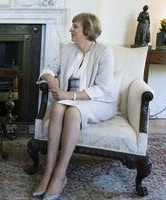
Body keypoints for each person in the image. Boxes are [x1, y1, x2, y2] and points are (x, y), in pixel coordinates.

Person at [32, 13, 118, 200]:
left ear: (87, 30)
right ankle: (48, 172)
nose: (70, 29)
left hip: (99, 101)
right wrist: (50, 78)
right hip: (70, 98)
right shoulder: (67, 50)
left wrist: (68, 95)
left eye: (75, 26)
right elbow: (47, 68)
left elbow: (103, 89)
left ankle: (60, 175)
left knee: (72, 113)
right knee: (56, 108)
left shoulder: (104, 52)